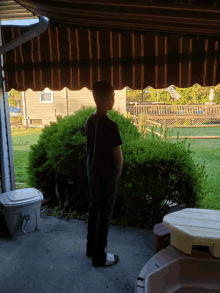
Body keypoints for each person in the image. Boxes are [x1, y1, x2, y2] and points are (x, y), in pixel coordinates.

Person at [84, 80, 123, 267]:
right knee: (105, 214)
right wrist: (118, 173)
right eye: (113, 96)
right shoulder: (111, 125)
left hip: (92, 174)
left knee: (94, 210)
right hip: (107, 177)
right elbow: (118, 156)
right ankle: (99, 257)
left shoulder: (89, 121)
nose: (113, 99)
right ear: (108, 99)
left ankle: (90, 248)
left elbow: (89, 149)